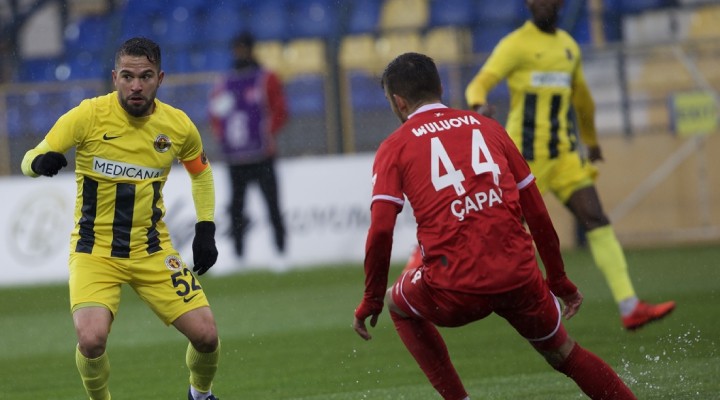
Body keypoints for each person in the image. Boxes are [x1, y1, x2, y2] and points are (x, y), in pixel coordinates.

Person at [353, 52, 637, 400]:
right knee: (565, 353)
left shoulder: (394, 146)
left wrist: (370, 299)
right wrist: (558, 280)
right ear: (440, 88)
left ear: (398, 102)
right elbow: (536, 212)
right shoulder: (488, 128)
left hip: (454, 287)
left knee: (397, 305)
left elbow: (381, 230)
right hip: (518, 277)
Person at [21, 37, 221, 400]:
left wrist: (205, 228)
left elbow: (201, 173)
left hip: (152, 250)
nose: (136, 85)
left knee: (207, 335)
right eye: (127, 76)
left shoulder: (178, 126)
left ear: (160, 78)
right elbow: (31, 156)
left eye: (145, 76)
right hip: (94, 251)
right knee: (91, 339)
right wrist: (39, 162)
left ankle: (201, 394)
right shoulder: (88, 116)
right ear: (115, 78)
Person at [464, 0, 675, 330]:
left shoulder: (568, 47)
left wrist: (591, 141)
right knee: (501, 229)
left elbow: (583, 99)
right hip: (524, 160)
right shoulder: (515, 45)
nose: (541, 4)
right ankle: (460, 283)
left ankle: (630, 306)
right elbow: (479, 82)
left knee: (596, 218)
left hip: (563, 156)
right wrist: (478, 104)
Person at [209, 31, 289, 268]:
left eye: (242, 49)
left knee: (272, 205)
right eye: (237, 49)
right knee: (236, 209)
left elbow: (281, 110)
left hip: (262, 155)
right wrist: (223, 136)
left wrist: (266, 132)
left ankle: (281, 253)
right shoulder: (225, 82)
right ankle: (238, 256)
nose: (239, 54)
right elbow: (215, 114)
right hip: (236, 158)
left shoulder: (266, 79)